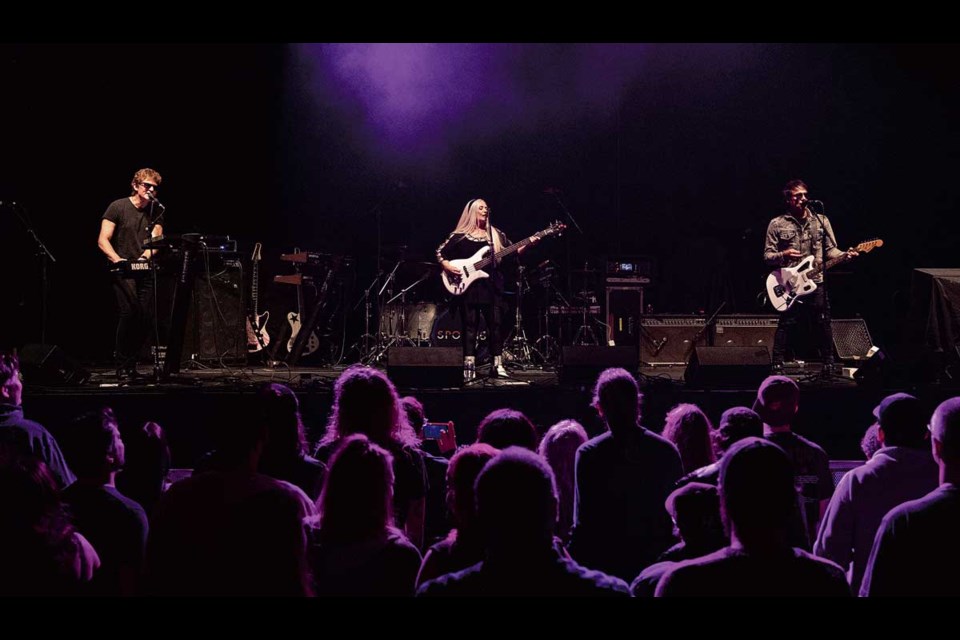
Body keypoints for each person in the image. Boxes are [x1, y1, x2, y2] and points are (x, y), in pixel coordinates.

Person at [436, 198, 536, 380]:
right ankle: (469, 365)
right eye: (480, 208)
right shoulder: (460, 236)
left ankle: (497, 365)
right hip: (468, 287)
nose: (484, 210)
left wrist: (528, 244)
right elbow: (440, 252)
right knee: (470, 325)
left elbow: (512, 252)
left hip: (491, 286)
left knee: (495, 325)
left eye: (486, 207)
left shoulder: (495, 234)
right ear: (472, 211)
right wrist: (447, 266)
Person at [764, 179, 857, 374]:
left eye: (805, 195)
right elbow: (767, 256)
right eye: (798, 196)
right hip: (790, 281)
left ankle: (828, 363)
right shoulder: (777, 223)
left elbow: (831, 250)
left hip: (816, 280)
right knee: (787, 322)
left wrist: (845, 256)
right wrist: (784, 254)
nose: (804, 199)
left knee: (823, 320)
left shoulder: (821, 220)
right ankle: (777, 363)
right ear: (788, 199)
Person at [97, 168, 165, 379]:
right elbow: (102, 240)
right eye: (147, 185)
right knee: (129, 313)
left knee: (144, 317)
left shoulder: (156, 211)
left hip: (143, 268)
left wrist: (145, 258)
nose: (151, 189)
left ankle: (132, 364)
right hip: (122, 268)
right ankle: (122, 363)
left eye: (154, 187)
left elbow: (156, 241)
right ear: (135, 185)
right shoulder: (118, 206)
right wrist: (118, 260)